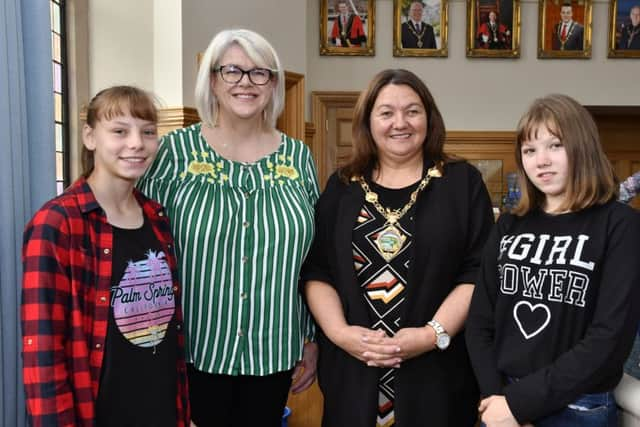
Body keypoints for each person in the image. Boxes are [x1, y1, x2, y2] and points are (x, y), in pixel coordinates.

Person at [137, 29, 319, 427]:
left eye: (259, 73)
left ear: (273, 84)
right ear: (213, 80)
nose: (245, 83)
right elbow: (140, 244)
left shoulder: (298, 156)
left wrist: (312, 338)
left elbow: (314, 258)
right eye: (232, 71)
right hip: (190, 348)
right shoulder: (174, 152)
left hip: (274, 349)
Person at [303, 69, 494, 427]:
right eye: (386, 112)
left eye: (412, 110)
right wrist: (341, 334)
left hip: (437, 374)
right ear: (368, 122)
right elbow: (317, 271)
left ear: (429, 118)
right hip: (353, 372)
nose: (399, 123)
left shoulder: (462, 183)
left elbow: (478, 271)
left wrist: (431, 334)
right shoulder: (342, 187)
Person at [466, 94, 640, 427]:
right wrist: (497, 401)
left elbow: (609, 339)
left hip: (578, 407)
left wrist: (520, 405)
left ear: (582, 148)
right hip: (501, 401)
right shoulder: (508, 225)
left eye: (555, 145)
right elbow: (479, 323)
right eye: (530, 151)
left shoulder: (620, 224)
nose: (541, 161)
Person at [21, 86, 190, 426]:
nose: (136, 144)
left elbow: (169, 335)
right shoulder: (57, 224)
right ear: (90, 136)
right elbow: (42, 351)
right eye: (119, 131)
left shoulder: (158, 218)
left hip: (161, 411)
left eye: (147, 132)